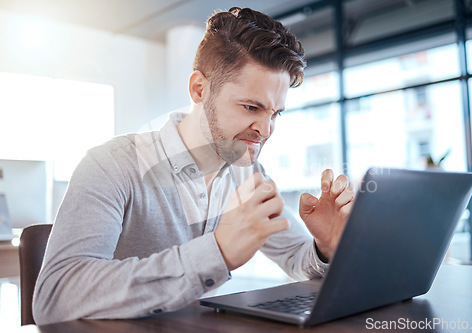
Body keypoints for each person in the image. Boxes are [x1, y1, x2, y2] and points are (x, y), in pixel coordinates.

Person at [33, 7, 354, 325]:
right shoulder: (112, 165)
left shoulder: (248, 173)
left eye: (274, 113)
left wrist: (323, 247)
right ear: (199, 89)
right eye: (251, 107)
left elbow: (297, 257)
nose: (265, 129)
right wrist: (216, 252)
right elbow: (55, 297)